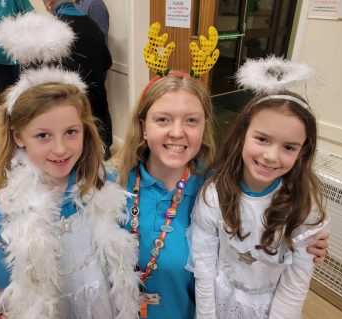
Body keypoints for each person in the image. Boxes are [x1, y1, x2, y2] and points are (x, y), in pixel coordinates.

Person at [112, 72, 329, 319]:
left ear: (204, 127)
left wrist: (305, 239)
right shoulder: (110, 186)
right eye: (162, 119)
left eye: (191, 121)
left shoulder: (217, 190)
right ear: (143, 127)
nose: (176, 132)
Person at [0, 72, 139, 318]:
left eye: (71, 132)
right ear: (18, 136)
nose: (60, 148)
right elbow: (8, 288)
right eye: (43, 135)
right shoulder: (0, 210)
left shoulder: (104, 184)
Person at [188, 57, 329, 318]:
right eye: (262, 139)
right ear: (243, 134)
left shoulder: (304, 207)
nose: (271, 156)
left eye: (289, 147)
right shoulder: (213, 195)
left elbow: (295, 283)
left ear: (303, 151)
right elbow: (204, 265)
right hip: (218, 303)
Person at [44, 0, 113, 158]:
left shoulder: (52, 29)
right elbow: (107, 62)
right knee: (100, 158)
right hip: (97, 105)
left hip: (68, 109)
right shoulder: (93, 26)